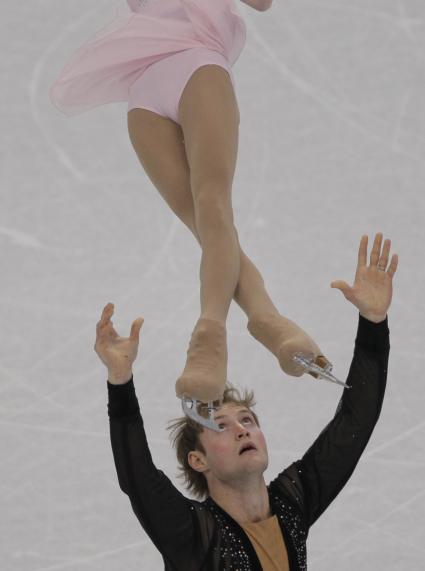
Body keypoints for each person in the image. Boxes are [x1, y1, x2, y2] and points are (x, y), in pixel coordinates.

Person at [50, 0, 337, 431]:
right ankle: (268, 321)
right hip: (143, 94)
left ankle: (209, 339)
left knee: (213, 208)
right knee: (209, 225)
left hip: (197, 65)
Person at [94, 232, 398, 570]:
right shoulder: (192, 534)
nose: (242, 430)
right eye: (221, 426)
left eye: (248, 420)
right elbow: (138, 476)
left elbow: (354, 424)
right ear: (198, 460)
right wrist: (120, 381)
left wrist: (373, 322)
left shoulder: (291, 508)